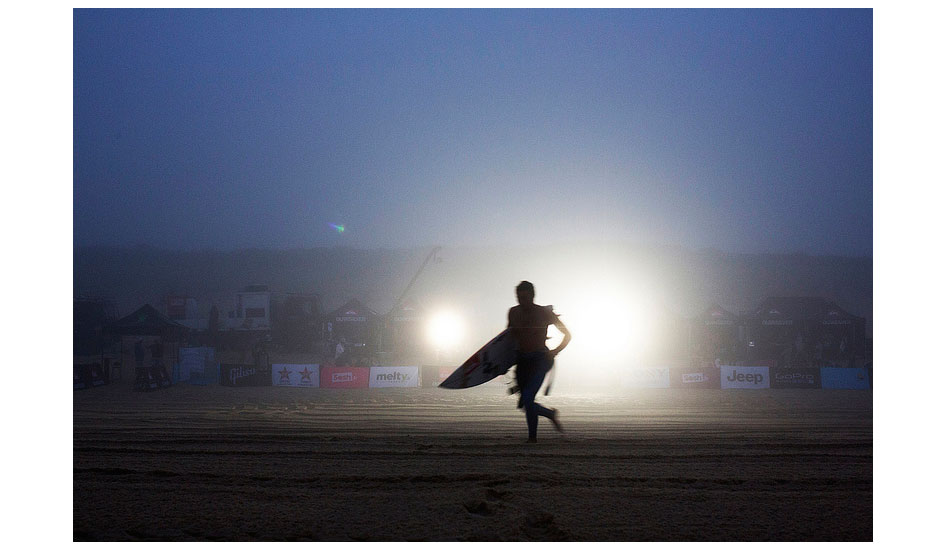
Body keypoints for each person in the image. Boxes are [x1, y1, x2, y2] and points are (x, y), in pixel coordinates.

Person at [508, 281, 571, 443]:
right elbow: (508, 340)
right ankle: (550, 414)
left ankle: (532, 439)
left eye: (525, 297)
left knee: (528, 399)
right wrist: (503, 364)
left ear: (532, 296)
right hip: (522, 362)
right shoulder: (513, 313)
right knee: (524, 404)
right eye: (518, 298)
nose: (521, 301)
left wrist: (555, 352)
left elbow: (567, 335)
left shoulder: (544, 313)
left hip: (540, 360)